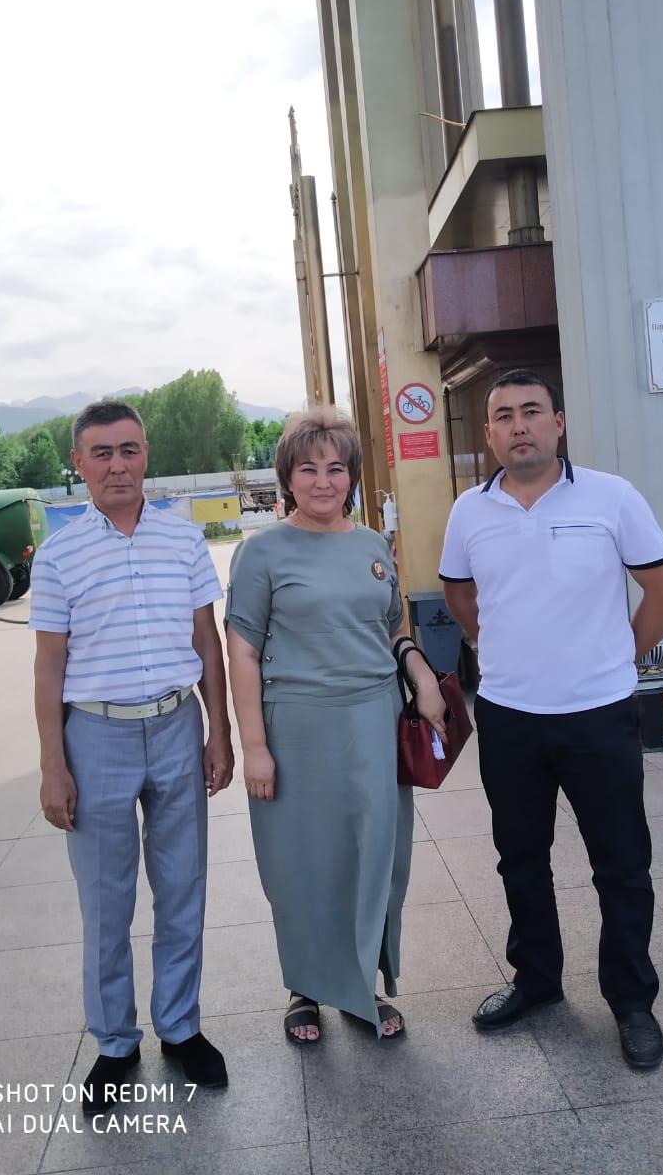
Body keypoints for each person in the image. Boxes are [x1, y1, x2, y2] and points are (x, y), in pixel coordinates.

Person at [439, 369, 663, 1071]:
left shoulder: (613, 497)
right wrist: (503, 645)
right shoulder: (469, 512)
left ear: (558, 422)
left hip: (598, 716)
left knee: (621, 863)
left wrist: (618, 655)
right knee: (521, 857)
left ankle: (632, 1000)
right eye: (504, 416)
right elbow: (460, 596)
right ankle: (537, 981)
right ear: (489, 434)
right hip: (510, 716)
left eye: (531, 411)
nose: (519, 425)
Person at [29, 400, 235, 1114]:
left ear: (146, 454)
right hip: (96, 738)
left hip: (176, 727)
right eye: (101, 452)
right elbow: (49, 668)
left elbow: (206, 643)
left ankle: (181, 1027)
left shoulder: (183, 541)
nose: (117, 465)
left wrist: (219, 732)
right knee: (105, 900)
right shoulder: (59, 557)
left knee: (182, 888)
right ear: (79, 464)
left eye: (128, 450)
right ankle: (116, 1043)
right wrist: (54, 765)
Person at [225, 408, 447, 1044]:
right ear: (287, 477)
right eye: (308, 468)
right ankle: (306, 987)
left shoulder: (373, 545)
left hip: (374, 721)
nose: (323, 481)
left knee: (374, 853)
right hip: (296, 726)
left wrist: (422, 675)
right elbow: (242, 650)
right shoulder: (261, 552)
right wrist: (254, 747)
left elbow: (392, 627)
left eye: (336, 468)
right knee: (302, 861)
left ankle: (359, 982)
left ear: (352, 475)